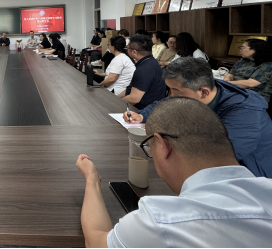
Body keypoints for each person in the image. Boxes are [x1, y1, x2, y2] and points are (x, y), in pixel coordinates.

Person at [76, 97, 272, 248]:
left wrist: (92, 179)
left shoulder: (162, 220)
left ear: (163, 146)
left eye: (149, 147)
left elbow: (96, 242)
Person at [124, 57, 272, 178]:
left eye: (175, 90)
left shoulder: (245, 111)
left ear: (204, 92)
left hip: (249, 176)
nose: (172, 96)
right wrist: (142, 115)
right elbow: (166, 103)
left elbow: (221, 156)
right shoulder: (198, 89)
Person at [118, 35, 167, 108]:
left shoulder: (144, 69)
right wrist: (116, 98)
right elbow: (131, 88)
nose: (126, 50)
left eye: (127, 48)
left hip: (143, 110)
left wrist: (117, 102)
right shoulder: (151, 61)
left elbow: (134, 99)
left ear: (134, 52)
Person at [224, 38, 272, 103]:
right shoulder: (243, 60)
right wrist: (225, 81)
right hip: (235, 89)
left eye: (243, 47)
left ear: (253, 50)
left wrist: (226, 83)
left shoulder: (268, 65)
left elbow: (250, 83)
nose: (240, 49)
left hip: (254, 95)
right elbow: (230, 74)